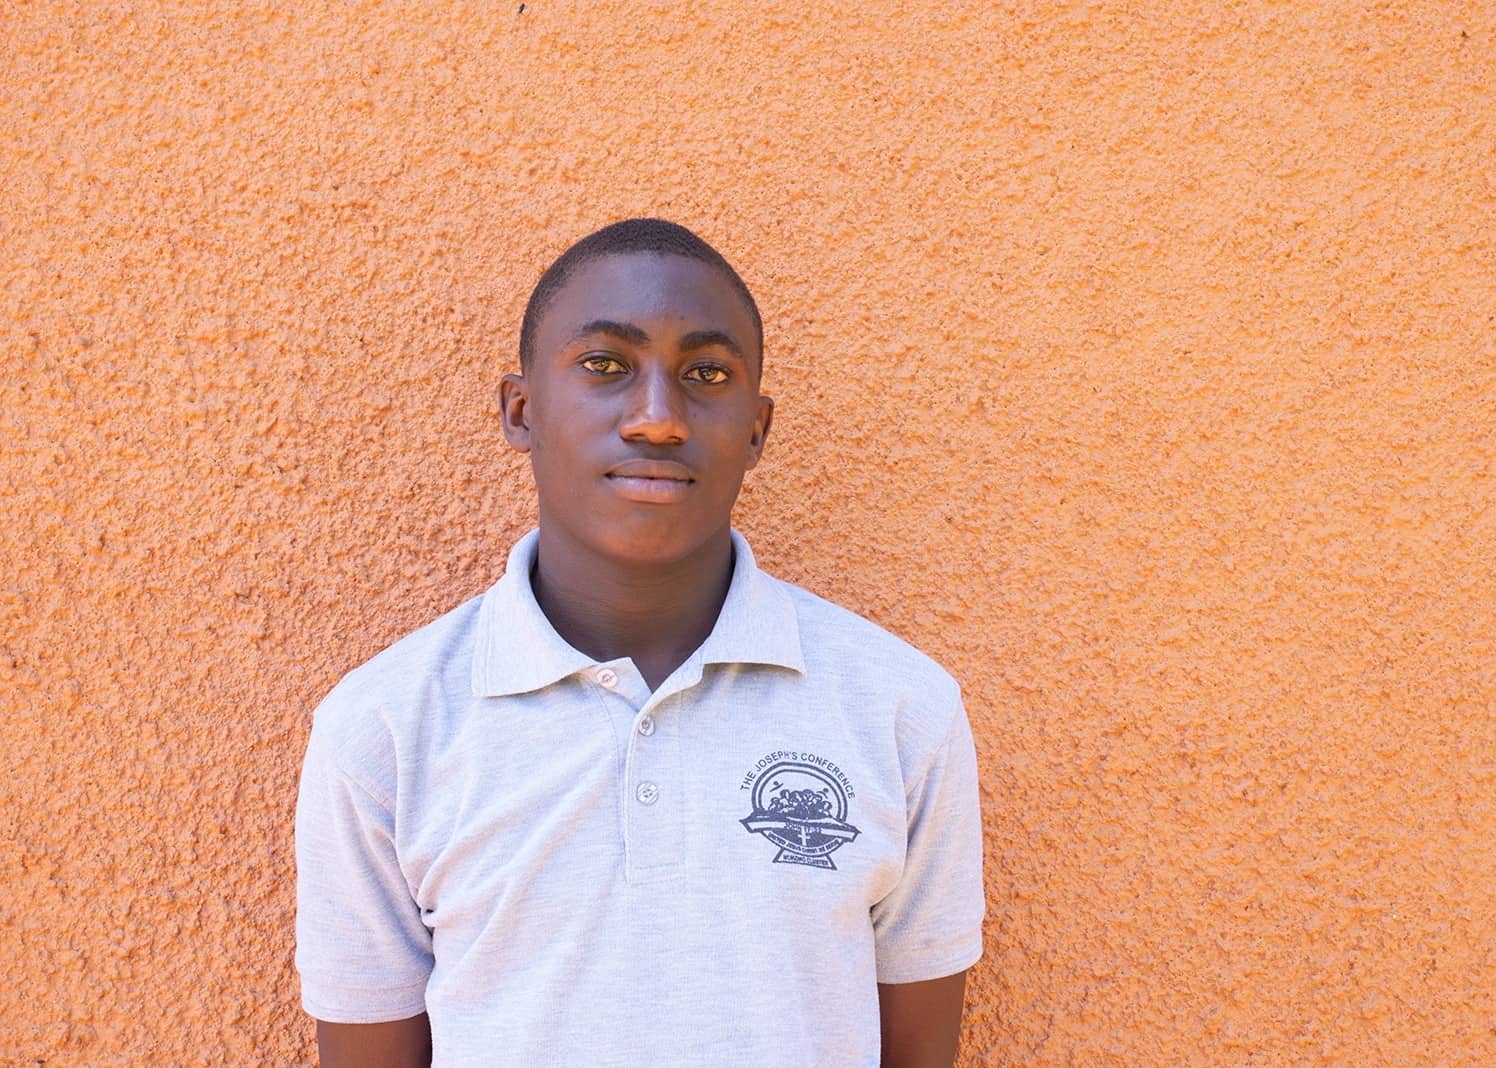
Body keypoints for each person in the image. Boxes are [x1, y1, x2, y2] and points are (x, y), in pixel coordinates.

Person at [295, 219, 984, 1067]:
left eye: (705, 374)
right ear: (520, 411)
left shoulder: (898, 708)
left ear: (758, 429)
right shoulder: (386, 729)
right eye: (605, 366)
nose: (657, 419)